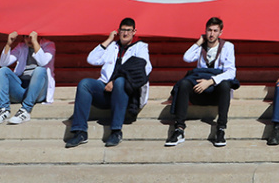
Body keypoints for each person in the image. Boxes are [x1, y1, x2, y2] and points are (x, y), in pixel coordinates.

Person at [66, 18, 151, 148]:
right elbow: (92, 59)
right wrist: (108, 40)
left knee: (121, 82)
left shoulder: (141, 47)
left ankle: (116, 131)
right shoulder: (113, 46)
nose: (125, 33)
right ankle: (80, 131)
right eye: (123, 30)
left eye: (129, 30)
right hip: (106, 91)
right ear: (118, 31)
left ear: (134, 32)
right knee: (84, 84)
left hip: (127, 94)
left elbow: (143, 68)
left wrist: (116, 79)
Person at [167, 16, 237, 148]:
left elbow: (231, 72)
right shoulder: (201, 47)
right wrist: (198, 43)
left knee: (225, 84)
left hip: (216, 91)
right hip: (199, 90)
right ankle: (179, 129)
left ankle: (221, 128)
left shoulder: (227, 46)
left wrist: (210, 81)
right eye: (209, 30)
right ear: (205, 31)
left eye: (215, 31)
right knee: (184, 83)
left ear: (220, 33)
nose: (212, 34)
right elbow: (186, 58)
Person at [0, 30, 56, 125]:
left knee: (40, 70)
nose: (28, 40)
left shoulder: (49, 45)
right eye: (26, 37)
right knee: (2, 71)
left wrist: (35, 43)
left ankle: (26, 110)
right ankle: (4, 109)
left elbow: (43, 62)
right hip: (21, 88)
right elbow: (3, 63)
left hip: (38, 90)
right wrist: (9, 44)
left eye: (31, 37)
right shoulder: (21, 46)